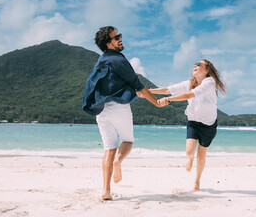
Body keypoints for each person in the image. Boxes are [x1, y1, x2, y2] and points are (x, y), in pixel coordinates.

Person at [82, 26, 166, 201]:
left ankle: (106, 191)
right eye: (116, 37)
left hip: (102, 110)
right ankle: (118, 161)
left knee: (109, 149)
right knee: (127, 141)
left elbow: (117, 86)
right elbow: (137, 84)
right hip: (119, 108)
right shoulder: (118, 59)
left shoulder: (101, 61)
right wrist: (157, 103)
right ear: (108, 43)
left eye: (120, 36)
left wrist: (140, 94)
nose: (121, 39)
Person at [149, 59, 227, 191]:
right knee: (189, 151)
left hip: (209, 125)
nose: (195, 65)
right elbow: (168, 89)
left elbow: (190, 95)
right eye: (194, 64)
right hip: (193, 122)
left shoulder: (209, 82)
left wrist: (168, 99)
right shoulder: (189, 83)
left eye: (199, 64)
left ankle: (197, 182)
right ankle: (190, 159)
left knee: (201, 155)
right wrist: (149, 91)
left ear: (207, 70)